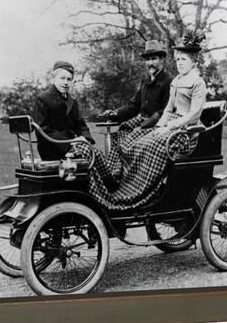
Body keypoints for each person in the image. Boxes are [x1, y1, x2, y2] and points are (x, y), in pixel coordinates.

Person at [74, 31, 207, 211]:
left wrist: (164, 126)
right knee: (128, 138)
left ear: (193, 62)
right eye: (178, 60)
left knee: (145, 145)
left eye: (184, 60)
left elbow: (192, 114)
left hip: (186, 129)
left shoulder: (193, 82)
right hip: (166, 125)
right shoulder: (173, 81)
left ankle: (138, 190)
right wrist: (158, 127)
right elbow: (162, 108)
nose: (180, 63)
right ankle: (119, 180)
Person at [101, 39, 172, 129]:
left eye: (154, 59)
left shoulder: (168, 82)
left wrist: (147, 124)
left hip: (158, 125)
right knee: (119, 134)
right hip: (143, 123)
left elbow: (166, 111)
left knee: (130, 140)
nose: (150, 63)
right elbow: (133, 106)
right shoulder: (145, 82)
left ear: (161, 60)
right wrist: (115, 113)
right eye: (147, 60)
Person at [32, 61, 95, 160]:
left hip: (73, 146)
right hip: (51, 148)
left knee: (96, 154)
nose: (66, 82)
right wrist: (70, 142)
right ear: (53, 78)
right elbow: (43, 130)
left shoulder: (72, 101)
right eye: (62, 78)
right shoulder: (43, 99)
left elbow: (81, 125)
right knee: (86, 153)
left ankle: (104, 176)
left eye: (69, 79)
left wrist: (85, 138)